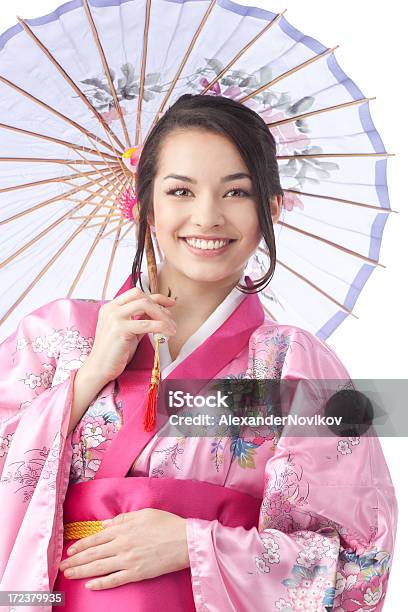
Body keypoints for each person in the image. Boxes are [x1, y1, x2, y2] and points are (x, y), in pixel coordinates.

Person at [0, 94, 397, 611]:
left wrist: (194, 544)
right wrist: (89, 376)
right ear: (144, 208)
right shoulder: (55, 334)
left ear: (270, 210)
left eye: (236, 192)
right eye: (181, 190)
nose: (207, 217)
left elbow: (355, 562)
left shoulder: (293, 363)